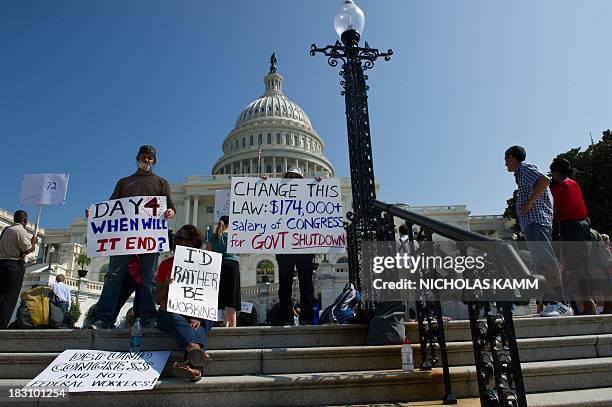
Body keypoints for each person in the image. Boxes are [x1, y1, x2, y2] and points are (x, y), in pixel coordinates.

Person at [89, 145, 175, 329]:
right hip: (123, 239)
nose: (147, 160)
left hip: (149, 238)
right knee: (113, 276)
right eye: (144, 157)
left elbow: (170, 207)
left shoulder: (162, 183)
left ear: (154, 161)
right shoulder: (124, 182)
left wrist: (170, 212)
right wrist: (95, 215)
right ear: (138, 158)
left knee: (149, 278)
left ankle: (149, 319)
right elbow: (110, 208)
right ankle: (103, 319)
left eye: (151, 158)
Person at [504, 146, 572, 317]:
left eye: (506, 159)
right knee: (541, 263)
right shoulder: (520, 174)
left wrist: (529, 203)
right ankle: (552, 301)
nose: (505, 164)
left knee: (546, 260)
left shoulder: (524, 168)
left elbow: (544, 180)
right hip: (532, 222)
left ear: (512, 157)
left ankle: (561, 302)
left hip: (536, 220)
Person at [156, 224, 213, 381]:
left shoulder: (204, 265)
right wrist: (167, 288)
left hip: (196, 314)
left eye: (179, 238)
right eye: (175, 238)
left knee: (201, 322)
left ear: (191, 243)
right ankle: (195, 355)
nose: (175, 241)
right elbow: (157, 299)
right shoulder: (165, 264)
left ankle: (193, 366)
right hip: (170, 312)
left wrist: (199, 315)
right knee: (177, 319)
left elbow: (209, 299)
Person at [549, 157, 595, 314]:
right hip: (583, 224)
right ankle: (584, 302)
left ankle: (583, 302)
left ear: (556, 172)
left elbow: (553, 210)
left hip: (570, 226)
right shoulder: (573, 183)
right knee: (581, 266)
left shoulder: (561, 187)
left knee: (572, 268)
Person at [275, 167, 316, 325]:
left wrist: (318, 187)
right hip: (284, 245)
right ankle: (286, 317)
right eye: (289, 176)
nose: (292, 178)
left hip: (304, 245)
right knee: (285, 284)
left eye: (296, 177)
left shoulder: (310, 192)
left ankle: (306, 317)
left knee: (307, 283)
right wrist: (262, 184)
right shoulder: (276, 192)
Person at [0, 210, 38, 328]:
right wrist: (33, 243)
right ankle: (2, 324)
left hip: (1, 264)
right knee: (10, 297)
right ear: (25, 220)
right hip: (14, 266)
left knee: (1, 294)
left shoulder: (6, 230)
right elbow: (27, 250)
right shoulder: (21, 231)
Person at [206, 215, 240, 327]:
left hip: (218, 265)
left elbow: (209, 252)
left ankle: (226, 323)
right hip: (232, 265)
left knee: (224, 296)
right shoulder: (233, 235)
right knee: (231, 298)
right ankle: (234, 326)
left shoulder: (213, 237)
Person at [111, 256, 143, 326]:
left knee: (141, 298)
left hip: (141, 268)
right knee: (118, 299)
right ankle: (109, 321)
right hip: (126, 268)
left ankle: (138, 323)